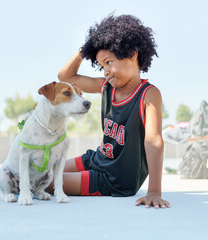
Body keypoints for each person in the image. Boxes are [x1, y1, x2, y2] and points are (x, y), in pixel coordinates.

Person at [50, 14, 170, 209]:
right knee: (47, 168)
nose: (104, 70)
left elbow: (153, 141)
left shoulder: (149, 95)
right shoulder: (106, 87)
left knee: (47, 181)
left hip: (114, 178)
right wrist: (87, 48)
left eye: (109, 62)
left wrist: (154, 191)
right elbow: (66, 76)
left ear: (132, 54)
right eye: (101, 65)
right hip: (97, 159)